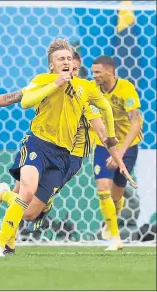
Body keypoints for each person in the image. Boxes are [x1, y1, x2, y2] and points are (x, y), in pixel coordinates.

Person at [0, 39, 136, 256]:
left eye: (72, 62)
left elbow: (104, 132)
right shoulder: (42, 82)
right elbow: (16, 99)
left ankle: (4, 195)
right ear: (52, 65)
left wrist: (120, 160)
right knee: (26, 191)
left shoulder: (84, 92)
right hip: (37, 143)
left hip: (67, 158)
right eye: (63, 60)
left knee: (27, 212)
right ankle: (2, 245)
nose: (69, 65)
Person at [91, 55, 143, 250]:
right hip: (104, 144)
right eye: (93, 72)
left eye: (98, 72)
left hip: (127, 146)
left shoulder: (126, 89)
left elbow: (136, 122)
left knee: (116, 196)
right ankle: (115, 238)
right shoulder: (92, 89)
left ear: (110, 72)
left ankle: (109, 221)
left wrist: (120, 152)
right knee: (102, 187)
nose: (94, 76)